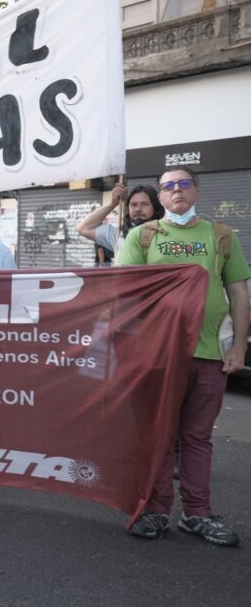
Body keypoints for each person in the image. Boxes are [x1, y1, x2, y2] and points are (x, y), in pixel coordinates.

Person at [119, 166, 250, 546]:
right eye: (168, 186)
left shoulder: (222, 237)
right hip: (158, 355)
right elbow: (125, 295)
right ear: (161, 197)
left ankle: (198, 514)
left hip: (209, 354)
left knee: (197, 437)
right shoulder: (142, 237)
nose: (176, 190)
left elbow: (240, 293)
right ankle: (157, 510)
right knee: (160, 436)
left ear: (196, 191)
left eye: (184, 184)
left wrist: (239, 345)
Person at [76, 183, 164, 266]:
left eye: (145, 204)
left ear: (156, 207)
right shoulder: (120, 235)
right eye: (133, 205)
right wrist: (113, 204)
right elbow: (83, 228)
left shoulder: (166, 231)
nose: (138, 209)